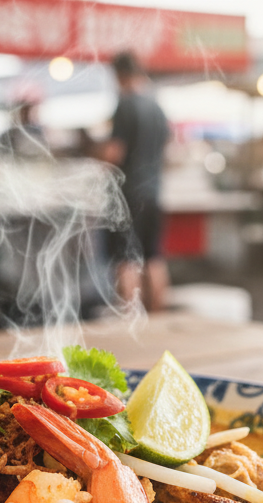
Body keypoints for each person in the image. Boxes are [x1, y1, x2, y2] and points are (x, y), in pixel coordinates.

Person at [98, 51, 171, 312]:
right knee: (154, 257)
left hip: (128, 195)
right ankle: (158, 317)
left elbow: (113, 154)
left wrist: (96, 159)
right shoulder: (157, 106)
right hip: (154, 192)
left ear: (119, 74)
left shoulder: (125, 104)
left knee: (126, 260)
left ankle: (129, 320)